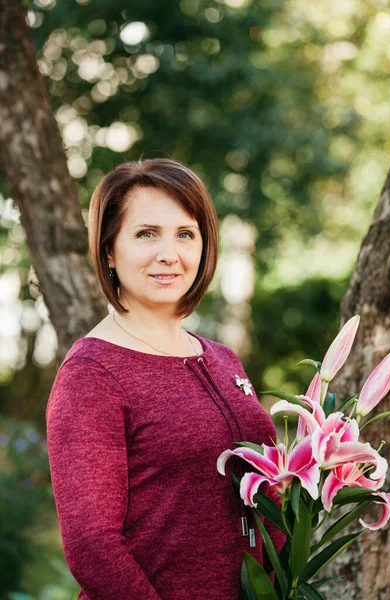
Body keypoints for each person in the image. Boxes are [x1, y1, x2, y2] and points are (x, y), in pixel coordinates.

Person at [46, 158, 285, 600]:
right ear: (109, 250)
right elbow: (92, 548)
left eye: (185, 234)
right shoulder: (92, 374)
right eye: (146, 234)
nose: (168, 254)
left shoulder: (223, 359)